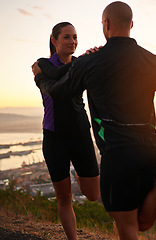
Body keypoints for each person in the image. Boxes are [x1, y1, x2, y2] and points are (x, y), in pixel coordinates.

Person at [32, 2, 156, 239]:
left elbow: (60, 92)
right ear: (131, 25)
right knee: (142, 221)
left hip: (117, 151)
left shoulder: (90, 62)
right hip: (149, 149)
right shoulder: (155, 61)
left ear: (106, 24)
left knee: (127, 225)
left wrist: (40, 78)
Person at [34, 22, 100, 240]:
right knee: (64, 197)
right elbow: (58, 73)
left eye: (75, 37)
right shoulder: (43, 65)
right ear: (54, 41)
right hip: (55, 137)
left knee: (93, 194)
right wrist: (83, 60)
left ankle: (78, 173)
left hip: (80, 134)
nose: (73, 41)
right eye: (67, 37)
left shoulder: (79, 63)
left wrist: (92, 58)